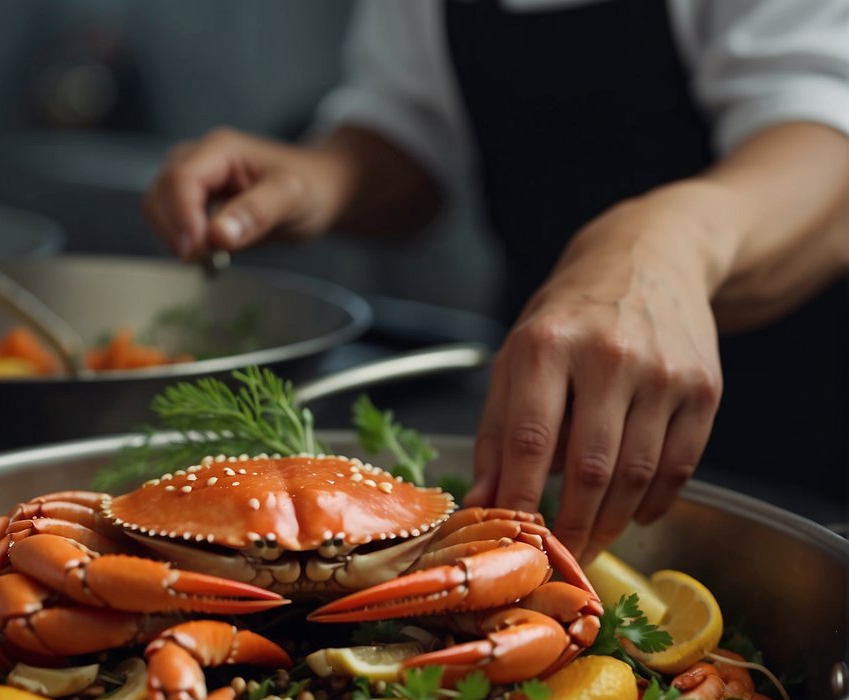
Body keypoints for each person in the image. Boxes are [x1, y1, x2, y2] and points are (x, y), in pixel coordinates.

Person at [142, 0, 849, 562]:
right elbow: (415, 127)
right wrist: (324, 177)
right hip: (548, 400)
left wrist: (665, 240)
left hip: (810, 427)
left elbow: (826, 137)